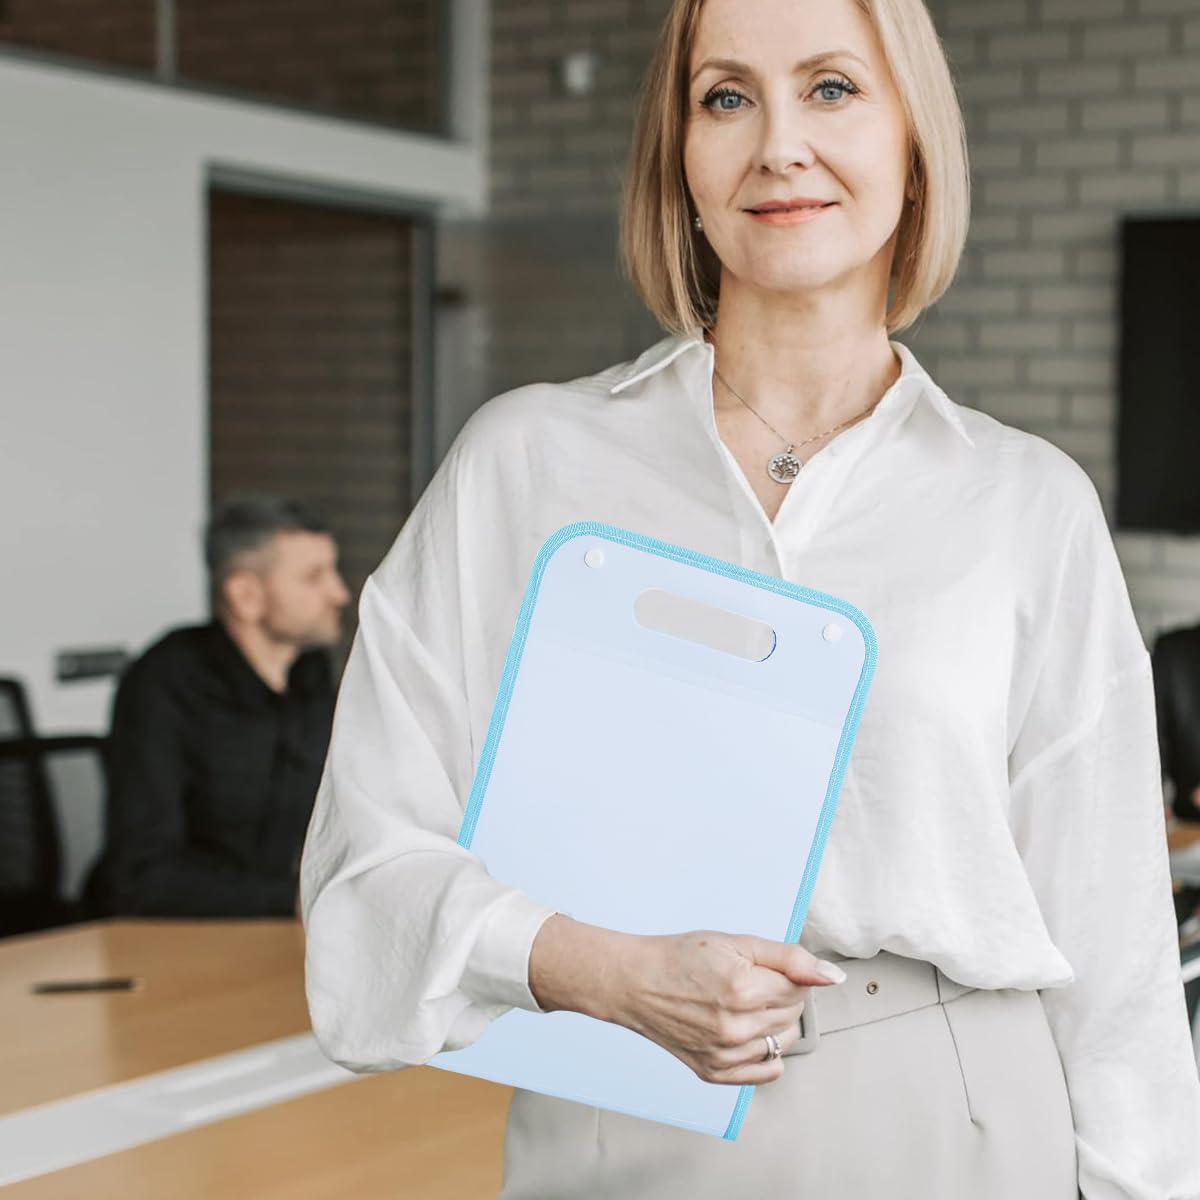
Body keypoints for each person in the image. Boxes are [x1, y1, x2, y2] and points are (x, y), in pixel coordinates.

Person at [301, 0, 1200, 1194]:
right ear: (678, 160)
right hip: (624, 1099)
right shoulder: (527, 465)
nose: (779, 143)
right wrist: (597, 970)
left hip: (964, 1117)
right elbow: (364, 876)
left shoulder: (1025, 504)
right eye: (727, 97)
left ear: (913, 142)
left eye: (832, 89)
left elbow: (1117, 945)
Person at [92, 493, 350, 918]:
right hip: (167, 938)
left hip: (277, 933)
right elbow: (142, 876)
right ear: (245, 595)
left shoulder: (312, 675)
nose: (339, 593)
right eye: (313, 577)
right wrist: (296, 899)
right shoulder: (166, 681)